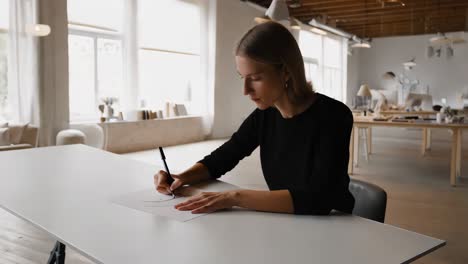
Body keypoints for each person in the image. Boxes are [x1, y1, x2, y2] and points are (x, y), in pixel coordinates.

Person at [154, 21, 355, 215]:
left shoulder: (334, 116)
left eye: (256, 78)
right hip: (290, 222)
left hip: (335, 226)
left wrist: (235, 197)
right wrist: (181, 177)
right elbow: (223, 158)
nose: (245, 90)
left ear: (285, 72)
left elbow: (318, 199)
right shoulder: (265, 115)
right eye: (243, 78)